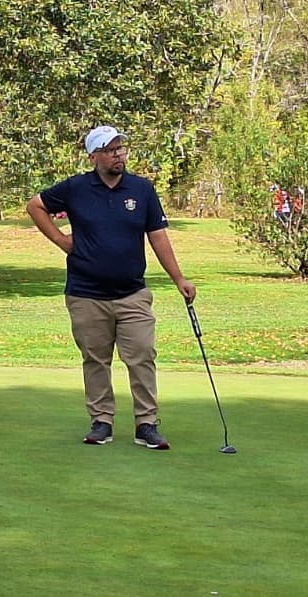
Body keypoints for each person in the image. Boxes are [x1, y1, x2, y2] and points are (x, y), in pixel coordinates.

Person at [26, 125, 196, 451]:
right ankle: (101, 420)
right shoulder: (76, 188)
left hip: (132, 292)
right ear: (94, 156)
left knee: (142, 355)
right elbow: (35, 206)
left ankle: (146, 424)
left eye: (120, 148)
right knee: (95, 359)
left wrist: (179, 278)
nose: (119, 154)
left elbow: (158, 237)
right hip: (86, 293)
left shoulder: (141, 189)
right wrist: (62, 240)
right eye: (110, 150)